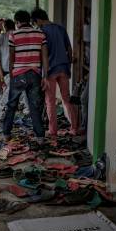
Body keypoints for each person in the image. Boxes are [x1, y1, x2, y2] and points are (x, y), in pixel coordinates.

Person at [31, 8, 79, 136]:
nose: (36, 25)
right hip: (64, 68)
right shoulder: (60, 28)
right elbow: (69, 48)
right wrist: (68, 62)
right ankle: (74, 128)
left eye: (36, 22)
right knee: (66, 99)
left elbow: (41, 54)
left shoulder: (41, 32)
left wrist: (42, 73)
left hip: (50, 70)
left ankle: (53, 131)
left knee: (50, 101)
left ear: (38, 20)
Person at [3, 10, 49, 145]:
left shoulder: (14, 35)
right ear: (29, 20)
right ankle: (40, 137)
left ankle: (6, 134)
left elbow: (12, 58)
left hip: (18, 74)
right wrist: (44, 76)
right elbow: (45, 57)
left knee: (12, 104)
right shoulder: (40, 33)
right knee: (35, 106)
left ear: (17, 22)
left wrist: (12, 75)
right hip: (35, 74)